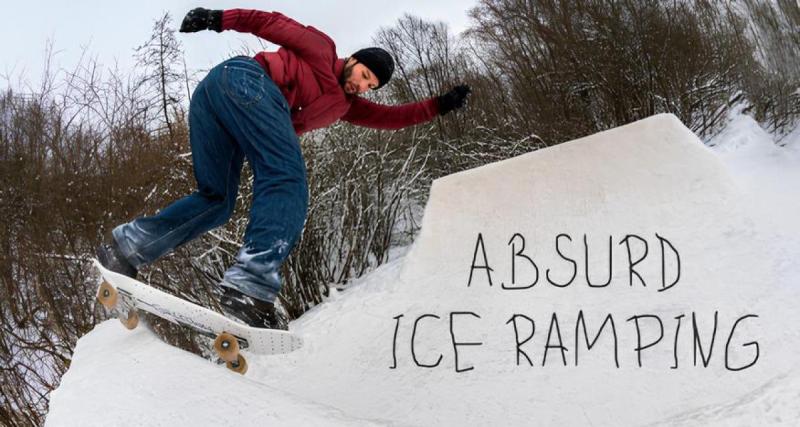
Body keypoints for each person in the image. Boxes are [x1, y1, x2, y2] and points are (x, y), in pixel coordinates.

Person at [96, 7, 471, 329]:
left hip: (217, 104)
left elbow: (392, 118)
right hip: (244, 81)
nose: (361, 86)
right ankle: (250, 282)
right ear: (353, 60)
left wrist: (439, 105)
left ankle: (127, 247)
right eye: (362, 75)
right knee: (286, 175)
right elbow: (272, 23)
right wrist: (218, 19)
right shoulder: (322, 49)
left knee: (217, 201)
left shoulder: (346, 107)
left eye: (370, 85)